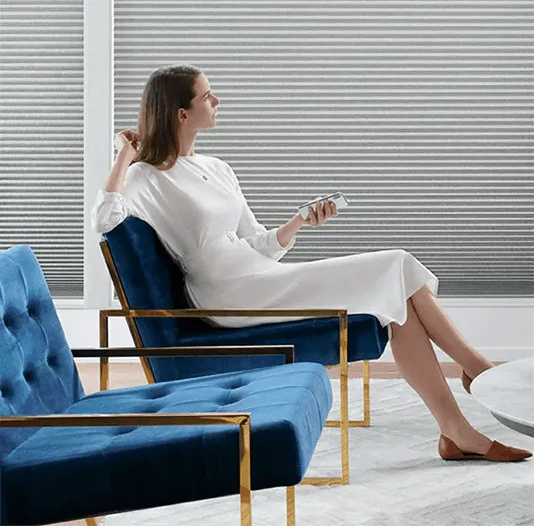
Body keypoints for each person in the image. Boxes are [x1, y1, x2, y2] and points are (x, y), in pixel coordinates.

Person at [91, 64, 531, 463]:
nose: (218, 101)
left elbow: (254, 241)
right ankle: (478, 370)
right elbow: (104, 218)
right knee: (397, 263)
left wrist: (297, 223)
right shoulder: (147, 177)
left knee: (401, 304)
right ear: (181, 114)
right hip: (224, 292)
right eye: (207, 96)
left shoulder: (217, 167)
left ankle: (455, 431)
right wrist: (123, 154)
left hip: (259, 275)